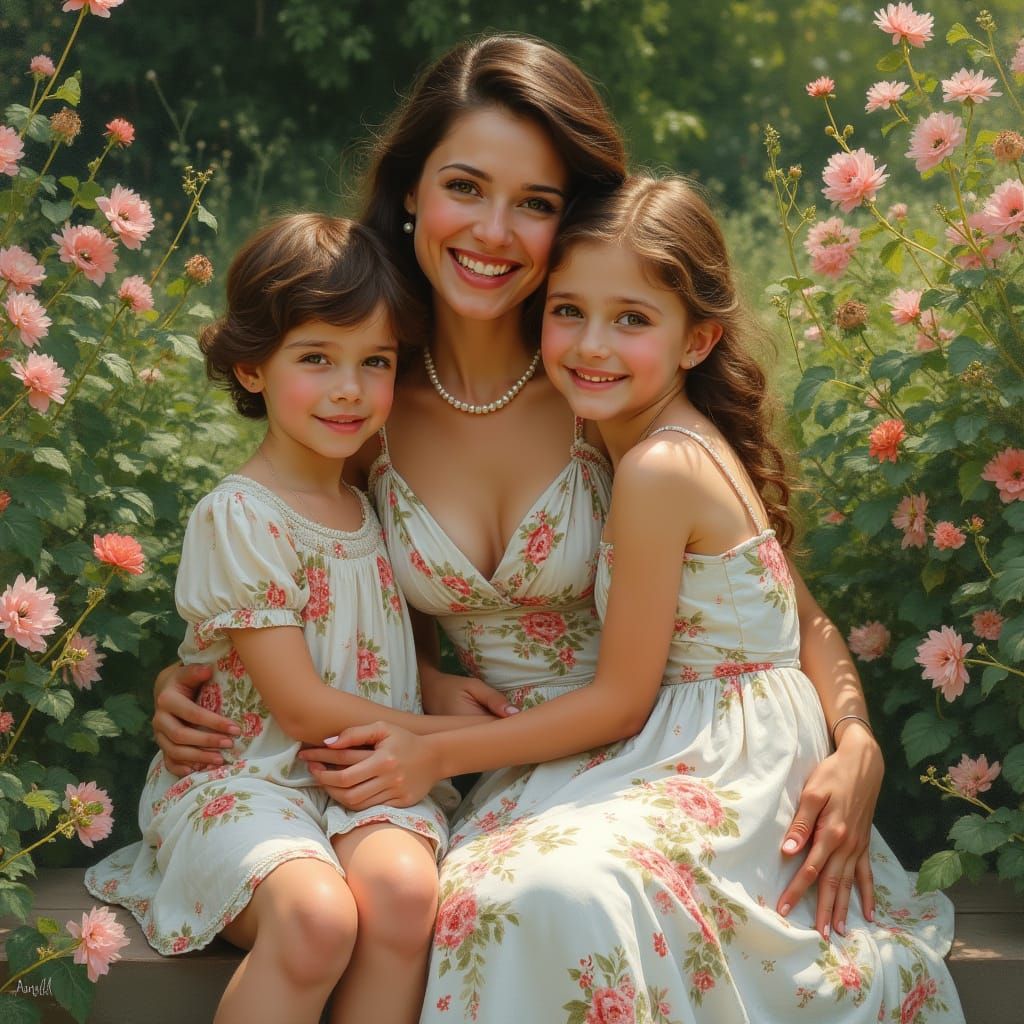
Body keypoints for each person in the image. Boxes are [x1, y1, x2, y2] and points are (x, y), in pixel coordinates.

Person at [152, 31, 888, 1009]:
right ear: (411, 190)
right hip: (497, 777)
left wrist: (856, 742)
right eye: (465, 186)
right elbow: (302, 568)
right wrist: (201, 674)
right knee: (460, 899)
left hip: (656, 772)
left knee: (515, 902)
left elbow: (779, 607)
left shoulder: (605, 391)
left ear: (567, 221)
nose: (493, 231)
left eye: (535, 203)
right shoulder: (359, 391)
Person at [323, 174, 965, 1021]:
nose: (592, 344)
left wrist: (432, 751)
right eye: (568, 311)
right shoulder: (643, 436)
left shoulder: (659, 464)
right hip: (699, 740)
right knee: (502, 891)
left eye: (631, 319)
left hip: (718, 757)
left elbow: (626, 700)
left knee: (535, 894)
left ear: (697, 341)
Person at [85, 214, 479, 1024]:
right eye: (316, 359)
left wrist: (431, 688)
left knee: (405, 897)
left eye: (375, 361)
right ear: (252, 367)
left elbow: (384, 640)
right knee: (317, 919)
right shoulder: (241, 516)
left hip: (364, 778)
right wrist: (435, 734)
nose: (349, 388)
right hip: (250, 778)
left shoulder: (370, 498)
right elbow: (296, 707)